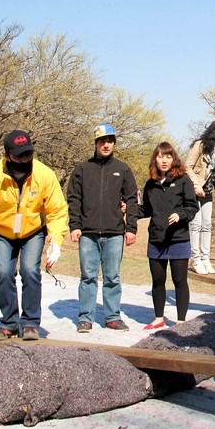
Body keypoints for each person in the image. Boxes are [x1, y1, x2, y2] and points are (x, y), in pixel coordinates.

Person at [0, 129, 68, 341]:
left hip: (33, 232)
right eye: (19, 155)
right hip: (4, 233)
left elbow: (57, 210)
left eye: (28, 153)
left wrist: (56, 241)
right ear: (7, 154)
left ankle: (30, 323)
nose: (24, 159)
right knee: (4, 273)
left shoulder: (44, 175)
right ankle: (8, 323)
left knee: (30, 271)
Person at [67, 124, 139, 333]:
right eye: (102, 141)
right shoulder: (82, 169)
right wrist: (75, 225)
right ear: (96, 143)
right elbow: (73, 199)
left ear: (114, 143)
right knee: (88, 276)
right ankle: (85, 318)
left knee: (112, 277)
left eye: (110, 141)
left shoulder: (123, 169)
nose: (106, 145)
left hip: (114, 232)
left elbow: (132, 200)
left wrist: (131, 228)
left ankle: (112, 317)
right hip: (87, 233)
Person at [139, 142, 199, 330]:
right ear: (155, 160)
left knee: (179, 280)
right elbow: (146, 210)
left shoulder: (183, 180)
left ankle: (181, 321)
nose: (164, 160)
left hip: (178, 239)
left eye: (168, 156)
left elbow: (192, 206)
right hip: (156, 239)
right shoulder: (150, 184)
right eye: (160, 156)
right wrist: (129, 210)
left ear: (173, 159)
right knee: (157, 281)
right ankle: (158, 318)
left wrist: (180, 215)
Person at [185, 120, 215, 275]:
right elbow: (187, 167)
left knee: (207, 225)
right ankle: (196, 259)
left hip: (209, 191)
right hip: (195, 191)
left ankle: (206, 258)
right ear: (214, 132)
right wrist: (197, 186)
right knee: (196, 225)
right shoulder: (200, 145)